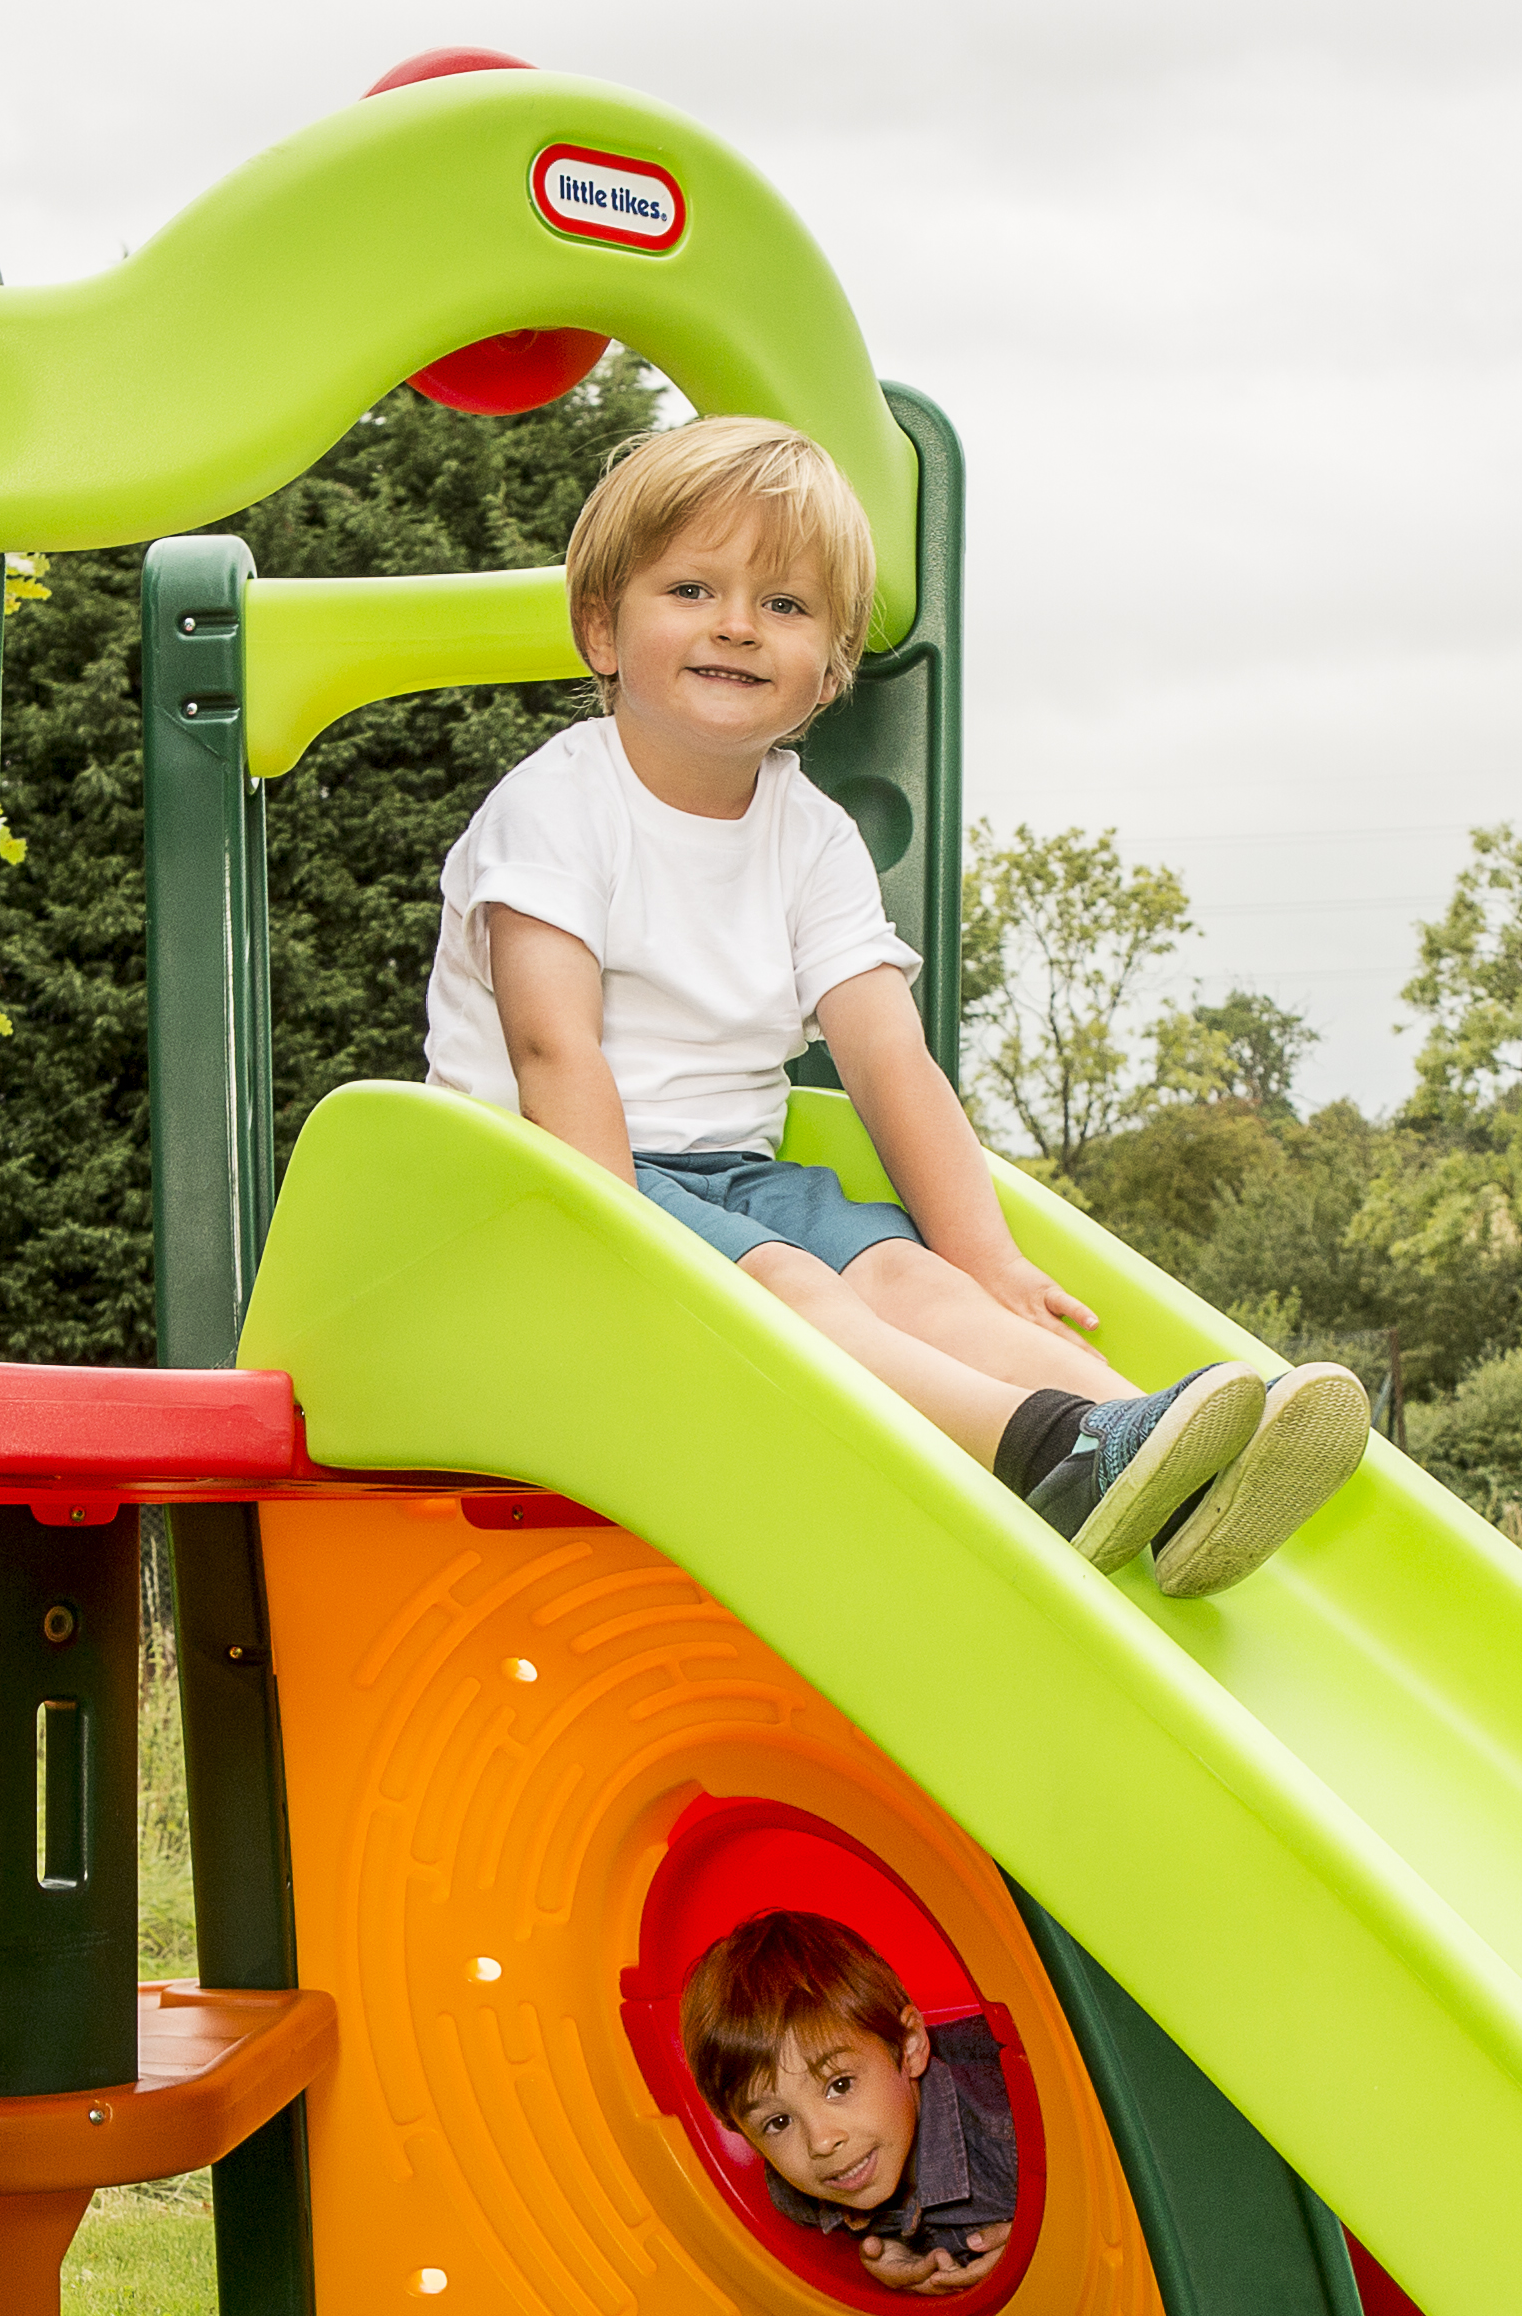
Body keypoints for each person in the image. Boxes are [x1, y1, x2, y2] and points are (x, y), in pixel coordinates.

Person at [423, 416, 1372, 1597]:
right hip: (544, 1184)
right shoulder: (558, 804)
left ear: (828, 671)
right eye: (693, 587)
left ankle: (1169, 1449)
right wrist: (623, 1255)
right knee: (797, 1287)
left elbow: (888, 1062)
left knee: (915, 1279)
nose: (736, 623)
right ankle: (1050, 1452)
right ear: (602, 628)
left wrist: (986, 1259)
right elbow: (548, 1042)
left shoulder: (810, 836)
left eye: (785, 605)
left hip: (733, 1171)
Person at [682, 1910, 1020, 2301]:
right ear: (746, 2136)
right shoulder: (798, 2191)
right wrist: (886, 2253)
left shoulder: (1008, 2133)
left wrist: (1042, 2242)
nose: (821, 2142)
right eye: (777, 2122)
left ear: (910, 2045)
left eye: (838, 2085)